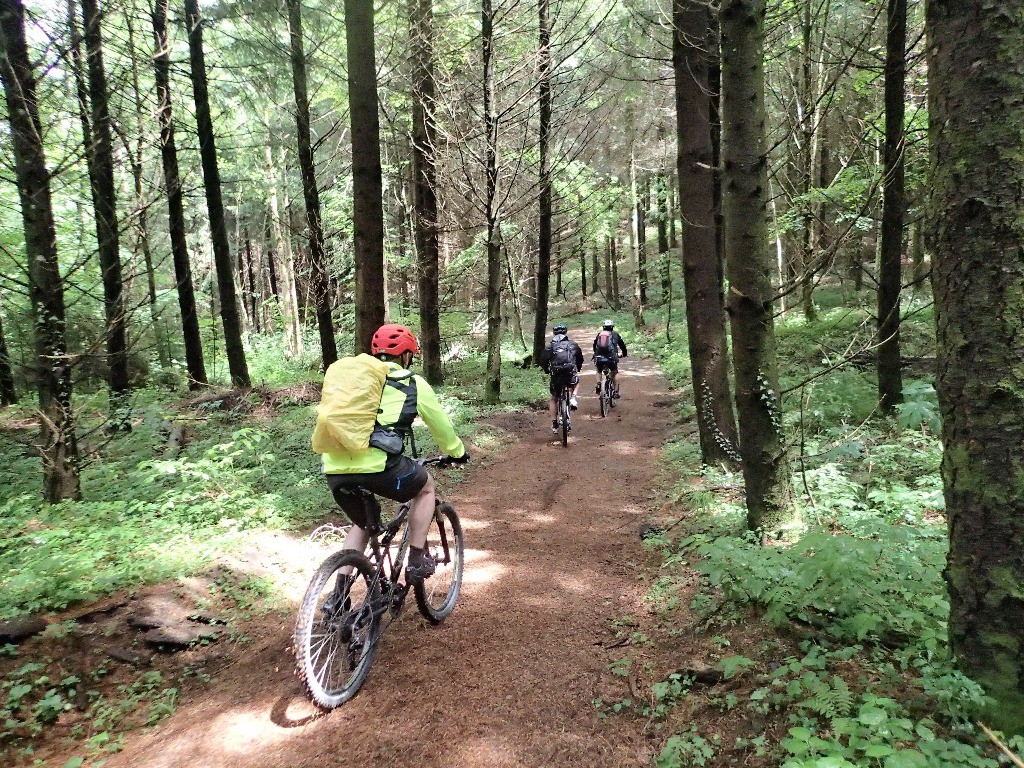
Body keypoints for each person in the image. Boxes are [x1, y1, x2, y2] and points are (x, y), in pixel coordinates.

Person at [321, 324, 468, 582]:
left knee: (363, 523)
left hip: (334, 468)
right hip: (381, 467)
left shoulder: (354, 382)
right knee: (425, 488)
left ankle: (338, 597)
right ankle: (416, 559)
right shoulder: (412, 382)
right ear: (406, 355)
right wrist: (457, 452)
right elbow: (442, 428)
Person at [540, 324, 584, 434]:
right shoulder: (572, 344)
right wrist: (577, 368)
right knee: (576, 381)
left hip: (556, 374)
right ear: (565, 333)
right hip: (570, 372)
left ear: (554, 333)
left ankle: (554, 423)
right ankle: (573, 398)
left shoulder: (549, 346)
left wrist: (546, 370)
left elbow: (543, 361)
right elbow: (580, 358)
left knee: (554, 398)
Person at [593, 319, 628, 398]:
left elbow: (595, 345)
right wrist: (624, 354)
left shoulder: (600, 334)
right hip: (611, 357)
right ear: (612, 327)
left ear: (603, 327)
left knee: (598, 370)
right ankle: (615, 391)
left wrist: (595, 354)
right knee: (614, 372)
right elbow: (622, 346)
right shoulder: (615, 334)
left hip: (599, 357)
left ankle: (599, 384)